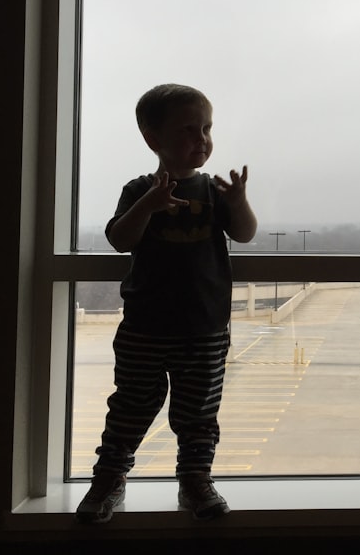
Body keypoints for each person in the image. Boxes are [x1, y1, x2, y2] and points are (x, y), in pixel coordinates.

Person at [76, 83, 257, 524]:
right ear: (152, 139)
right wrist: (149, 205)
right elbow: (120, 239)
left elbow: (245, 233)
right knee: (131, 406)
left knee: (198, 414)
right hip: (146, 326)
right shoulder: (139, 188)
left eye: (207, 128)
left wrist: (239, 202)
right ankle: (110, 478)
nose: (202, 139)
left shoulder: (214, 192)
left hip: (206, 328)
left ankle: (195, 480)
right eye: (188, 130)